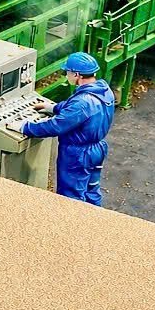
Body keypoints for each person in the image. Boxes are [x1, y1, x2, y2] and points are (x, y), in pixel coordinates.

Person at [12, 51, 116, 206]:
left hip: (78, 154)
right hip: (97, 149)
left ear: (77, 75)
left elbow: (56, 126)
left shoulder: (83, 102)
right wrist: (53, 107)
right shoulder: (103, 90)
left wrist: (25, 127)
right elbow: (74, 109)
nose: (66, 75)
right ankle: (96, 225)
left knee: (71, 198)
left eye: (68, 72)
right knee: (91, 191)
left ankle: (70, 227)